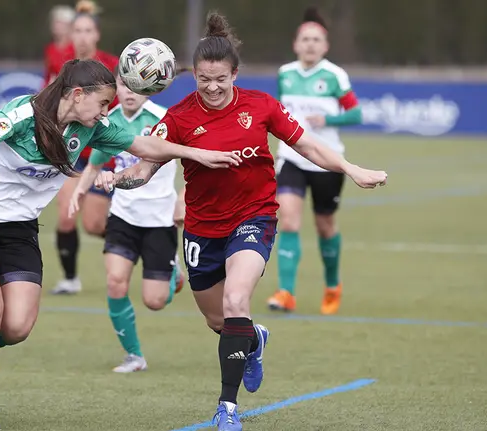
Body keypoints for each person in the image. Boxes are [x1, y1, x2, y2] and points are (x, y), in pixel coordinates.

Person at [92, 12, 387, 431]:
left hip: (255, 216)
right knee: (221, 322)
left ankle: (227, 408)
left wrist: (351, 168)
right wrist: (115, 178)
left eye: (221, 79)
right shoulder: (176, 118)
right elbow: (143, 170)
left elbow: (308, 146)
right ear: (194, 75)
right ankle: (254, 339)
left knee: (235, 303)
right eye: (203, 80)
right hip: (201, 229)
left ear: (235, 74)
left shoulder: (261, 106)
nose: (212, 88)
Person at [0, 59, 239, 430]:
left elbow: (144, 144)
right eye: (102, 103)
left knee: (16, 327)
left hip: (19, 229)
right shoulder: (25, 111)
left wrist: (195, 152)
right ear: (78, 94)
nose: (106, 112)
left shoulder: (93, 128)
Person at [68, 71, 185, 373]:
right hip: (122, 216)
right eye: (124, 84)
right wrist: (79, 192)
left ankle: (172, 271)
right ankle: (134, 356)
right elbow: (94, 165)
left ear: (151, 88)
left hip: (160, 219)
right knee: (115, 282)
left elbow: (191, 162)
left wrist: (183, 199)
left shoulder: (165, 119)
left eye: (137, 86)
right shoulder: (107, 122)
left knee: (155, 301)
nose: (130, 92)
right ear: (115, 87)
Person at [267, 7, 363, 315]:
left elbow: (357, 113)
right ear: (296, 44)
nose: (310, 44)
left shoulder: (335, 75)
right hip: (291, 158)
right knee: (289, 220)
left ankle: (333, 285)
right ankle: (286, 293)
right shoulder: (285, 74)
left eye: (316, 40)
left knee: (325, 226)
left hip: (326, 160)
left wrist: (329, 118)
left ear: (325, 46)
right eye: (305, 39)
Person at [48, 0, 121, 295]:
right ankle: (70, 279)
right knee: (66, 215)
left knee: (93, 224)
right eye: (76, 30)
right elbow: (49, 97)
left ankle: (136, 240)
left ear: (96, 35)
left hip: (100, 155)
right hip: (70, 153)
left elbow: (118, 109)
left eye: (87, 30)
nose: (81, 36)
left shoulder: (112, 65)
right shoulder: (58, 60)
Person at [43, 5, 75, 85]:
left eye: (61, 23)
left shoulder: (75, 48)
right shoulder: (50, 48)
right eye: (55, 22)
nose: (57, 26)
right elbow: (48, 75)